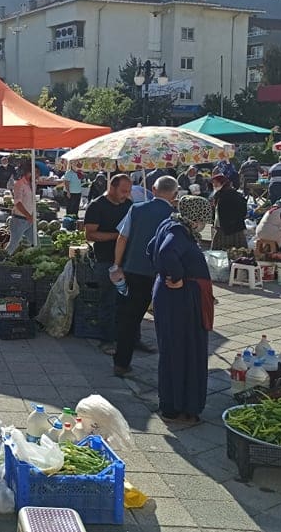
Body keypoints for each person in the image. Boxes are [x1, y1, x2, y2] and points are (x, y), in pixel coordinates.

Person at [147, 195, 214, 426]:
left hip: (172, 296)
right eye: (203, 219)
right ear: (195, 218)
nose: (203, 224)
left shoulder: (169, 223)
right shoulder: (178, 230)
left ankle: (174, 403)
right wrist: (177, 278)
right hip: (180, 300)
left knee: (174, 349)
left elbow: (150, 249)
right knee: (182, 351)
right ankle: (177, 407)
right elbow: (165, 252)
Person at [112, 176, 178, 377]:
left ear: (153, 189)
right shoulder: (175, 215)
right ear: (175, 195)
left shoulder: (137, 209)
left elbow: (122, 238)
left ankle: (121, 363)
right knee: (167, 319)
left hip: (132, 270)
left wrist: (117, 265)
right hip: (161, 274)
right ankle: (170, 367)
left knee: (128, 318)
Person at [84, 174, 133, 350]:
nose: (126, 194)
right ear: (112, 188)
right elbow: (90, 234)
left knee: (127, 301)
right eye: (123, 191)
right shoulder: (97, 206)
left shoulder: (129, 205)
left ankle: (130, 338)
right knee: (108, 300)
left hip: (127, 261)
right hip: (105, 260)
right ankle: (106, 340)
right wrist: (118, 236)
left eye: (128, 191)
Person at [210, 174, 249, 251]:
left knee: (233, 251)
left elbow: (242, 210)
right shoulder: (219, 194)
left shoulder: (232, 194)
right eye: (213, 183)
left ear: (223, 183)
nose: (214, 185)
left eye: (216, 183)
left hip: (230, 228)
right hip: (223, 227)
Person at [6, 164, 36, 252]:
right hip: (19, 220)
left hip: (29, 220)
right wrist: (28, 215)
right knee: (13, 244)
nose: (36, 175)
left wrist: (32, 215)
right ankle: (0, 261)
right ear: (28, 173)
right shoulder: (19, 184)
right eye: (35, 172)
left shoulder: (31, 185)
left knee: (36, 243)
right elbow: (18, 203)